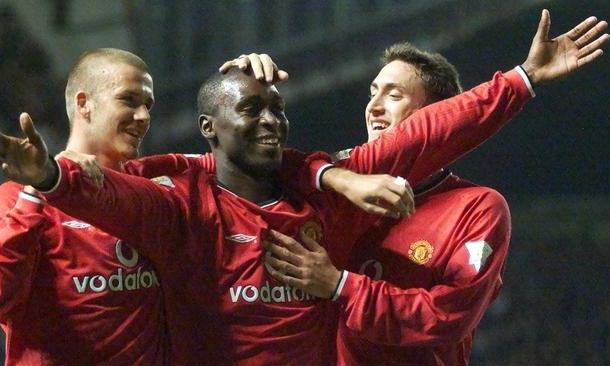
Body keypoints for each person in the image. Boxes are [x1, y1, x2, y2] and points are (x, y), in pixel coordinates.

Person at [0, 10, 607, 365]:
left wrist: (522, 78)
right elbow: (108, 194)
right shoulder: (180, 197)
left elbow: (424, 137)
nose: (271, 121)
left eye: (277, 111)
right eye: (250, 111)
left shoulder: (327, 194)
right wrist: (46, 180)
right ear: (208, 131)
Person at [248, 10, 609, 365]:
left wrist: (339, 285)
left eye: (393, 95)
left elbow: (446, 317)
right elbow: (251, 174)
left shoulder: (477, 208)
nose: (373, 107)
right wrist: (244, 82)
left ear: (439, 117)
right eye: (372, 93)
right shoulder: (335, 181)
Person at [0, 48, 170, 365]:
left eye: (148, 105)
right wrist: (38, 188)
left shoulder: (155, 198)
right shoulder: (15, 197)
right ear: (84, 104)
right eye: (128, 100)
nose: (143, 116)